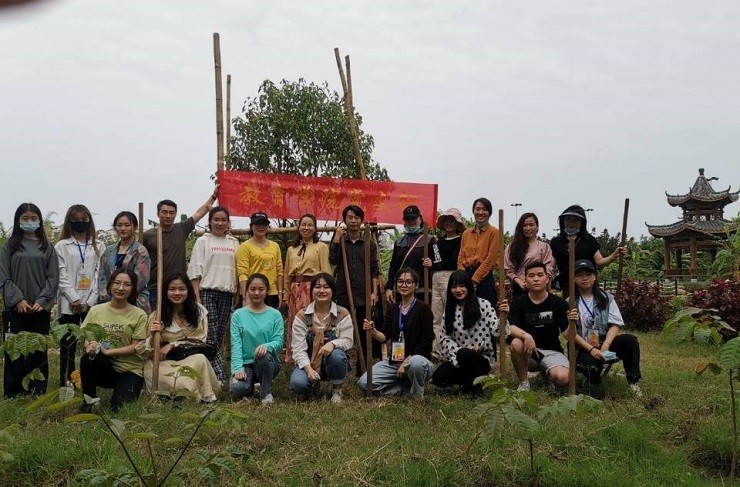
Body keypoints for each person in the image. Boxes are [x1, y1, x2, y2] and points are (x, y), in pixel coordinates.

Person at [0, 203, 58, 397]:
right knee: (14, 348)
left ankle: (37, 390)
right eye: (25, 218)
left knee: (38, 349)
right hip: (15, 307)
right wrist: (17, 299)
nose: (29, 222)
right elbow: (3, 276)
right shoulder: (9, 246)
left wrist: (42, 300)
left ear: (39, 220)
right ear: (18, 220)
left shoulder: (47, 246)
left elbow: (53, 277)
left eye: (33, 218)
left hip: (39, 308)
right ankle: (13, 392)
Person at [139, 273, 220, 402]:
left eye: (182, 289)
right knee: (180, 382)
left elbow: (200, 341)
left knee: (200, 359)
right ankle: (179, 394)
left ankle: (205, 396)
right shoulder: (157, 316)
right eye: (172, 289)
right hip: (163, 364)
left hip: (189, 360)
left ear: (188, 291)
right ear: (166, 292)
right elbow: (145, 349)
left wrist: (173, 344)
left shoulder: (198, 312)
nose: (177, 293)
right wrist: (154, 335)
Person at [79, 268, 148, 412]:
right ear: (110, 285)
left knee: (118, 409)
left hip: (129, 370)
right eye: (117, 283)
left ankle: (123, 392)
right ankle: (89, 401)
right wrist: (89, 346)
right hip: (104, 367)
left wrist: (109, 352)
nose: (121, 288)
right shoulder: (96, 310)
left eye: (127, 284)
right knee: (88, 359)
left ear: (133, 288)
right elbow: (88, 337)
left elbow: (136, 347)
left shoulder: (140, 315)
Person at [360, 268, 434, 398]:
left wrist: (406, 362)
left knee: (416, 364)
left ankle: (417, 395)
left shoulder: (423, 308)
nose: (404, 285)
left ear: (416, 285)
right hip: (395, 362)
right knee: (364, 383)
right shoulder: (393, 309)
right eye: (400, 281)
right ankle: (401, 388)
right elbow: (384, 337)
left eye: (408, 282)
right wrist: (373, 331)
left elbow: (427, 342)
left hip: (417, 360)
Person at [572, 259, 642, 396]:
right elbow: (569, 333)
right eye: (580, 275)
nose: (584, 278)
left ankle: (633, 382)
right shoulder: (570, 303)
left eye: (588, 274)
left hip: (604, 342)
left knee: (630, 341)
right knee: (590, 366)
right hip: (583, 347)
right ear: (574, 279)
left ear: (594, 277)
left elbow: (615, 324)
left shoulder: (606, 298)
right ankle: (595, 382)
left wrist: (606, 345)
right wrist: (591, 349)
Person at [432, 270, 508, 393]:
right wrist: (459, 350)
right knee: (438, 378)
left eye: (462, 286)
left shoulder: (483, 305)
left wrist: (503, 317)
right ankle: (469, 382)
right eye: (454, 287)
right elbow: (445, 337)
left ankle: (476, 390)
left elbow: (497, 331)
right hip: (458, 357)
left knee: (466, 355)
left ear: (469, 286)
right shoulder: (450, 309)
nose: (458, 290)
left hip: (481, 358)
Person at [55, 204, 106, 388]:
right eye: (76, 219)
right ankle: (67, 381)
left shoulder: (99, 245)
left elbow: (99, 274)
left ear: (89, 221)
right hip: (69, 303)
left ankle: (90, 380)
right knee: (68, 345)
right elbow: (61, 274)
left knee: (91, 342)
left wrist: (91, 300)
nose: (80, 222)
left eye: (84, 219)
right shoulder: (61, 246)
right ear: (69, 221)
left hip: (91, 302)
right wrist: (73, 298)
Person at [507, 261, 578, 392]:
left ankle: (547, 374)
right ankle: (524, 382)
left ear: (547, 279)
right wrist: (526, 336)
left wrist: (572, 324)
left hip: (552, 351)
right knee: (516, 343)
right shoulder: (518, 302)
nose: (536, 279)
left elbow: (568, 336)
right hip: (528, 352)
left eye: (540, 275)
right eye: (531, 275)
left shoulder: (559, 303)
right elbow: (510, 328)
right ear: (525, 280)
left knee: (563, 378)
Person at [187, 206, 239, 381]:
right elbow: (195, 269)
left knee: (220, 333)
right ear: (209, 222)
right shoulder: (203, 241)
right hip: (207, 291)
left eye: (223, 220)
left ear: (228, 223)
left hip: (227, 293)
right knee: (210, 331)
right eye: (216, 219)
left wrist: (237, 293)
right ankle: (218, 373)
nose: (219, 223)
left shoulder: (233, 242)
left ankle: (210, 370)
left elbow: (237, 270)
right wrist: (196, 295)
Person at [143, 190, 217, 310]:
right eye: (164, 212)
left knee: (178, 317)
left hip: (178, 287)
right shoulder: (148, 235)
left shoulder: (181, 229)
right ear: (158, 214)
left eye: (171, 213)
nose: (168, 216)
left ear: (175, 214)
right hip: (156, 287)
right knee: (157, 318)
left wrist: (214, 196)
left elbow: (199, 213)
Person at [330, 205, 381, 374]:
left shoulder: (368, 244)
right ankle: (341, 364)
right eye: (350, 217)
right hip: (343, 294)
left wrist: (374, 292)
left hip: (363, 294)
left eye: (356, 217)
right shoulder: (340, 241)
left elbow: (374, 269)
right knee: (341, 331)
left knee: (364, 329)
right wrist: (336, 239)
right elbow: (333, 260)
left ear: (361, 220)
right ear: (345, 220)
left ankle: (363, 367)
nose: (353, 220)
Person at [289, 273, 353, 403]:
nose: (322, 291)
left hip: (332, 361)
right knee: (297, 383)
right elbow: (298, 349)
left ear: (332, 291)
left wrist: (332, 344)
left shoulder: (342, 313)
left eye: (326, 287)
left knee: (337, 356)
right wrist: (308, 369)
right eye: (317, 287)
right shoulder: (302, 316)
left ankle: (336, 390)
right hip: (309, 361)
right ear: (312, 291)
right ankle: (314, 385)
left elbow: (348, 341)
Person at [284, 214, 331, 364]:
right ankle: (296, 357)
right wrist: (286, 295)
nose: (306, 228)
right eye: (303, 224)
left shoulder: (321, 247)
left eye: (310, 225)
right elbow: (287, 274)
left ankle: (314, 357)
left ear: (315, 228)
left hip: (312, 289)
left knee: (312, 322)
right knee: (296, 322)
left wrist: (325, 292)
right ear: (299, 227)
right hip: (294, 290)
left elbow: (326, 272)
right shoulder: (292, 249)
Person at [549, 205, 627, 295]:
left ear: (582, 222)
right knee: (569, 304)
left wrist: (613, 256)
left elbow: (599, 261)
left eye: (576, 220)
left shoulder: (589, 240)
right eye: (568, 219)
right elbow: (551, 267)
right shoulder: (556, 242)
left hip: (588, 285)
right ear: (563, 221)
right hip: (567, 286)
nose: (571, 223)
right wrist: (548, 287)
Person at [230, 273, 284, 404]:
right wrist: (237, 368)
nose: (256, 293)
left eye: (261, 289)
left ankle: (266, 392)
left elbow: (278, 342)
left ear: (267, 291)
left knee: (263, 357)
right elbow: (236, 344)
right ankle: (251, 386)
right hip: (245, 364)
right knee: (237, 389)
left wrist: (266, 347)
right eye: (253, 289)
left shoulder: (275, 315)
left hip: (267, 362)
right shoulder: (238, 315)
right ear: (247, 290)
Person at [430, 208, 466, 359]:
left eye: (452, 221)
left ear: (457, 224)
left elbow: (453, 261)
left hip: (451, 277)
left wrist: (436, 264)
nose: (449, 224)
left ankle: (453, 350)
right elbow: (435, 260)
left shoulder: (461, 241)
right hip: (436, 278)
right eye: (446, 221)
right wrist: (433, 264)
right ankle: (438, 351)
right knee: (436, 316)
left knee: (451, 313)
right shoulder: (437, 242)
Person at [98, 211, 151, 312]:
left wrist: (122, 294)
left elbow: (141, 279)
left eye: (127, 225)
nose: (123, 228)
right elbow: (101, 276)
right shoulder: (108, 251)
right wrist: (108, 295)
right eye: (119, 225)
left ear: (134, 227)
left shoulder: (141, 251)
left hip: (134, 300)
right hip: (109, 300)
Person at [385, 205, 437, 304]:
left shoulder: (430, 240)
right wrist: (389, 287)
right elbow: (393, 266)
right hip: (402, 290)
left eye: (414, 218)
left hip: (422, 291)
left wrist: (432, 264)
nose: (411, 221)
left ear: (420, 219)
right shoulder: (399, 241)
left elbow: (439, 261)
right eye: (408, 219)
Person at [457, 197, 500, 305]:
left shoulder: (494, 232)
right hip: (466, 277)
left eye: (484, 209)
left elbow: (490, 259)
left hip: (484, 278)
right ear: (473, 211)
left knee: (486, 310)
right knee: (466, 311)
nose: (480, 212)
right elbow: (461, 257)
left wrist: (474, 280)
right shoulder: (466, 234)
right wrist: (463, 277)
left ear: (489, 213)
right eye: (477, 209)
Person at [236, 212, 284, 309]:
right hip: (253, 293)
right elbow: (242, 272)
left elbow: (279, 271)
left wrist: (280, 292)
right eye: (257, 224)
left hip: (271, 293)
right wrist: (245, 296)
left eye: (264, 224)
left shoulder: (275, 246)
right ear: (251, 226)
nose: (261, 227)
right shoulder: (245, 246)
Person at [504, 213, 554, 298]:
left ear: (537, 227)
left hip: (539, 287)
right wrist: (519, 282)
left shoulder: (544, 247)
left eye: (531, 225)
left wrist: (542, 282)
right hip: (520, 288)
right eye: (525, 225)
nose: (528, 228)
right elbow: (508, 268)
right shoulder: (512, 247)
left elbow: (548, 267)